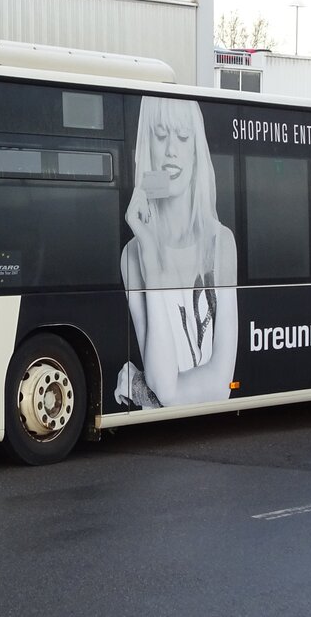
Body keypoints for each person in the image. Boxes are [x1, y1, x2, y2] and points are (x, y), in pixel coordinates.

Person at [115, 96, 238, 408]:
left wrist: (140, 387)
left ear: (196, 152)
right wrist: (152, 264)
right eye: (160, 135)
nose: (171, 149)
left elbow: (221, 385)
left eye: (183, 137)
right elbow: (165, 387)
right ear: (148, 149)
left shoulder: (221, 243)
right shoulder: (132, 255)